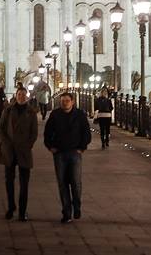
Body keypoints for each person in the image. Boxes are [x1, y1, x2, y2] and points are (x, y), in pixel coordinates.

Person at [44, 92, 91, 223]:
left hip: (75, 153)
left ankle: (76, 206)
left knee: (76, 183)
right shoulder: (55, 114)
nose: (64, 103)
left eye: (67, 101)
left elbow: (86, 133)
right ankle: (66, 211)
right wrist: (50, 146)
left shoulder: (80, 115)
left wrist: (82, 147)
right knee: (62, 183)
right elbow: (47, 132)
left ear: (72, 102)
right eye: (62, 101)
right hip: (59, 153)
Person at [0, 87, 38, 221]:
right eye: (19, 94)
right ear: (16, 95)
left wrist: (28, 145)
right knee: (9, 181)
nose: (21, 97)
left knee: (24, 183)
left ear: (27, 97)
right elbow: (1, 128)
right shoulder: (8, 110)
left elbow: (34, 132)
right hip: (9, 150)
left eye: (23, 95)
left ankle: (22, 210)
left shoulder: (31, 112)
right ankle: (10, 207)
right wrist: (6, 143)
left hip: (24, 151)